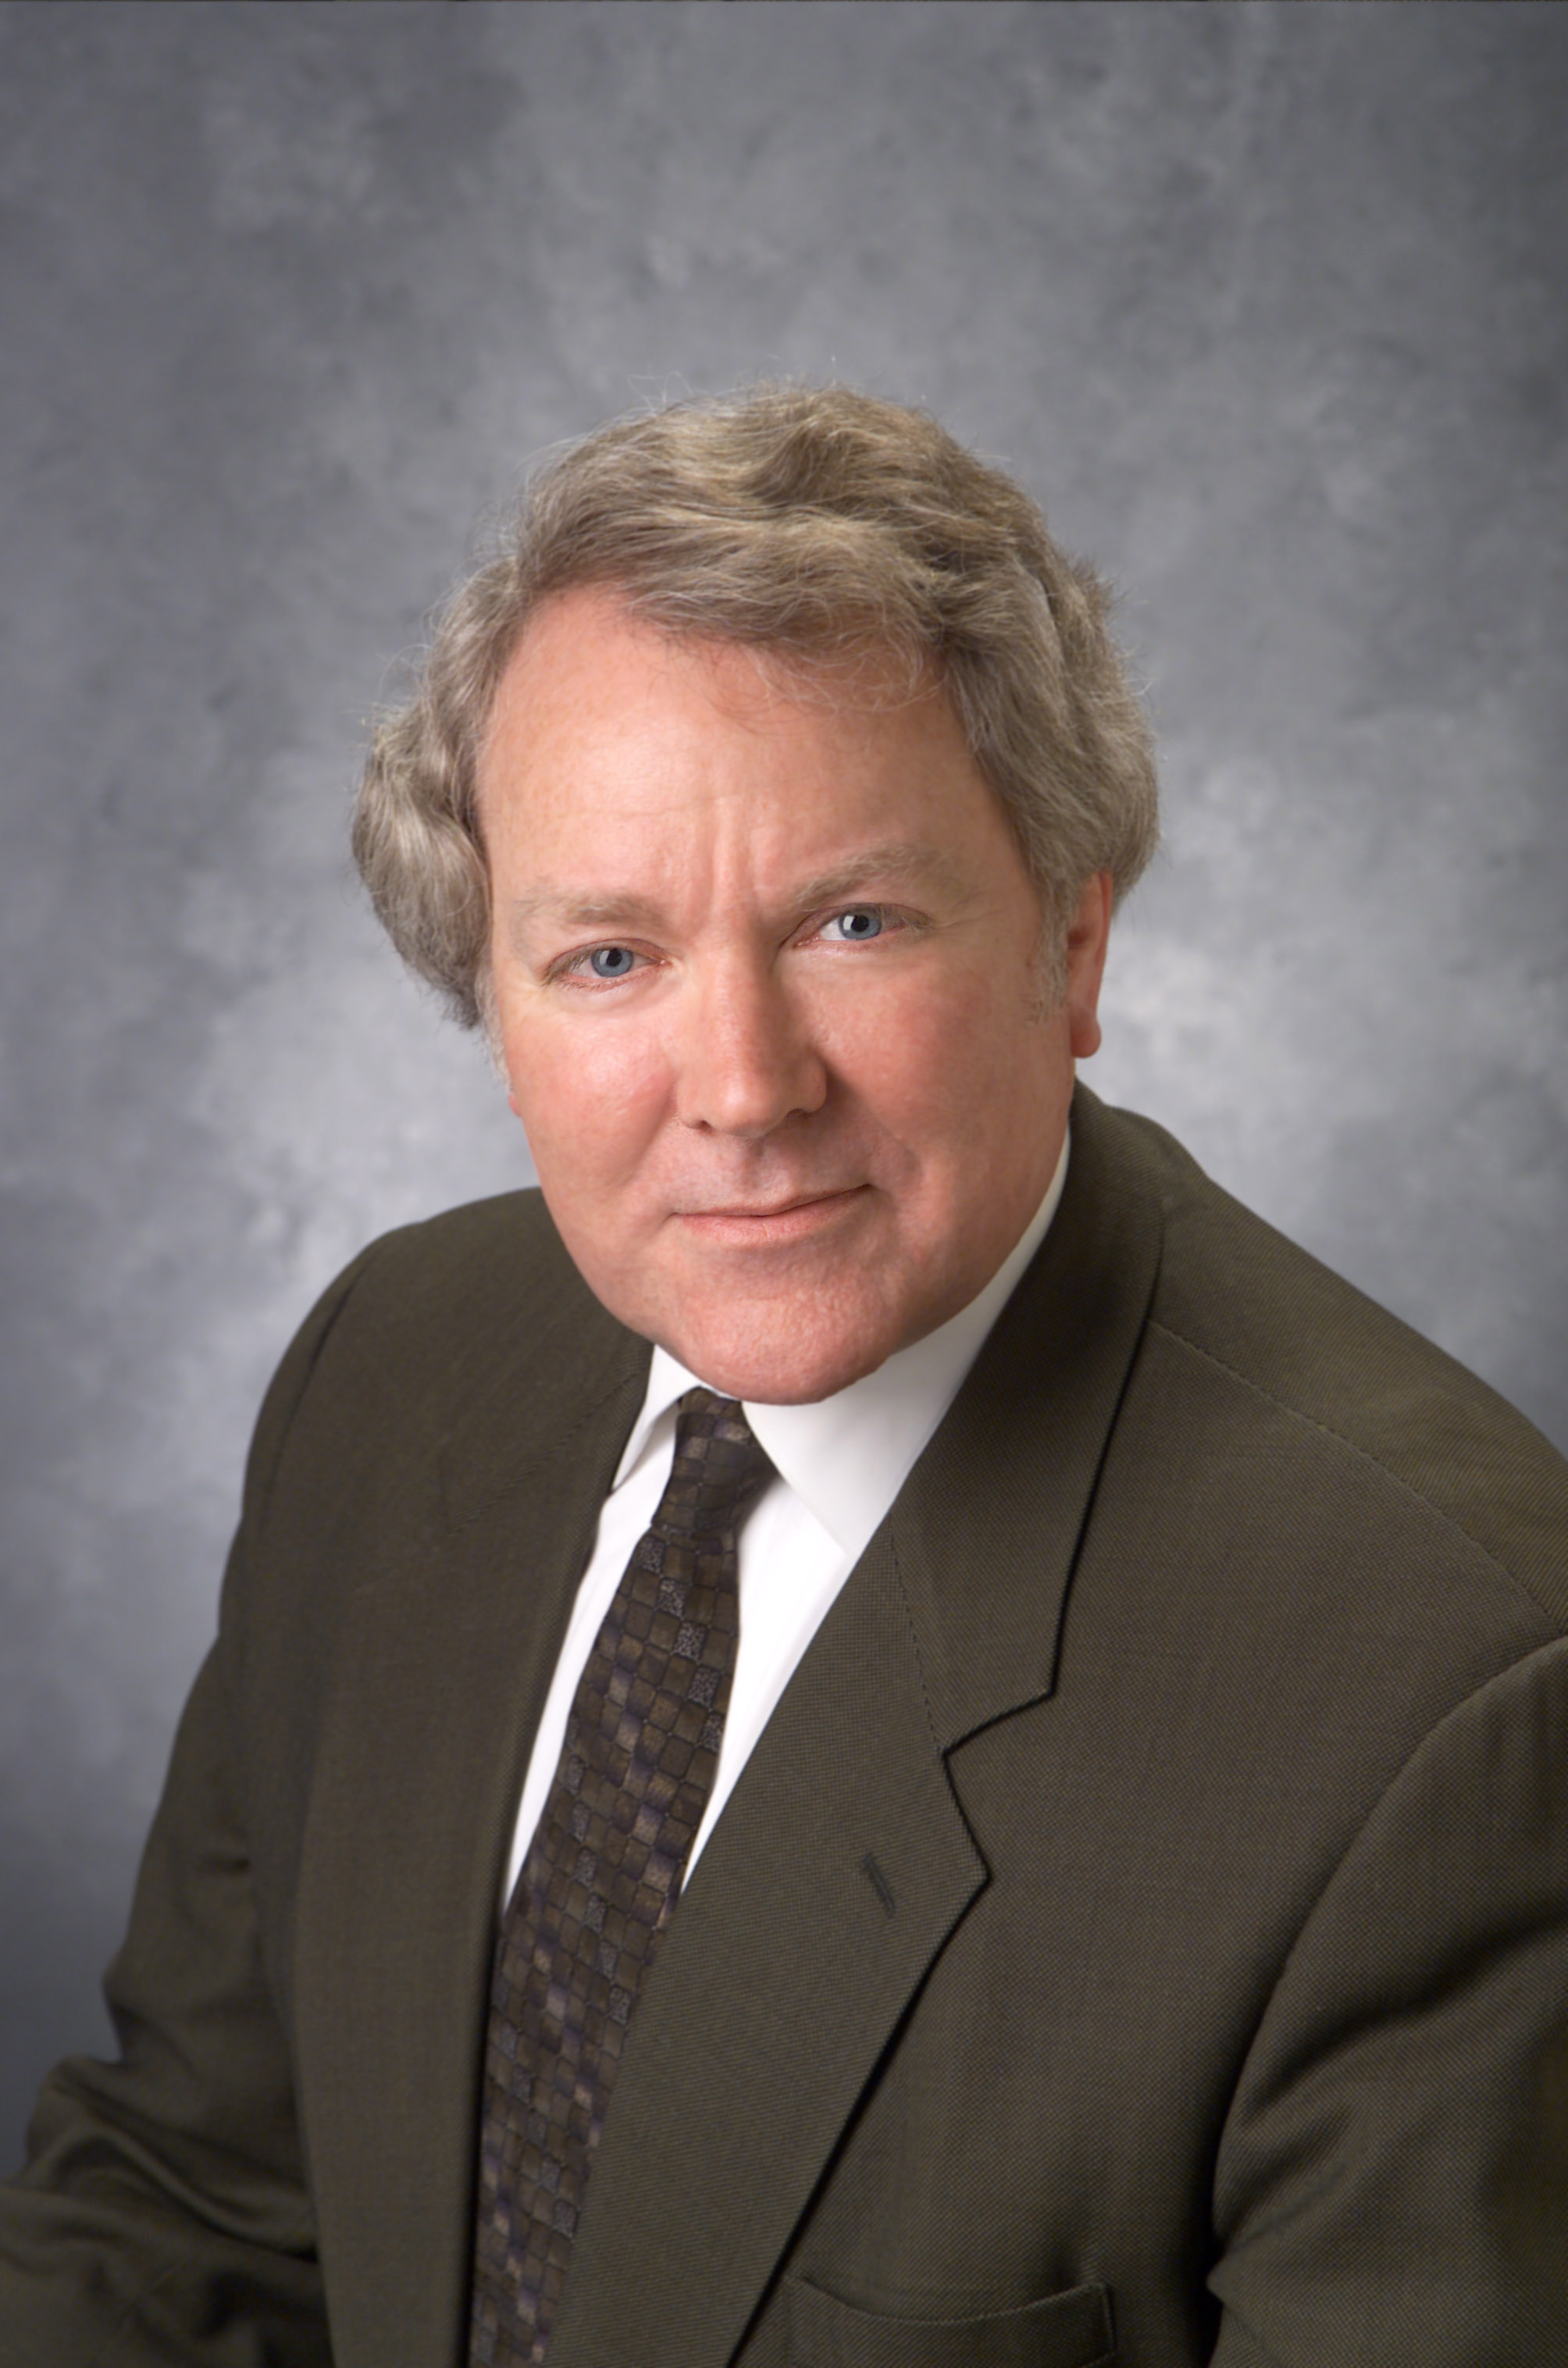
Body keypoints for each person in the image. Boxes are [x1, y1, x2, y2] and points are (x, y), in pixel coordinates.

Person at [3, 384, 1566, 2368]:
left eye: (851, 921)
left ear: (1071, 944)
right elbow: (190, 2212)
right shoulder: (387, 1375)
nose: (742, 1089)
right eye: (608, 957)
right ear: (489, 992)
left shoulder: (1449, 1699)